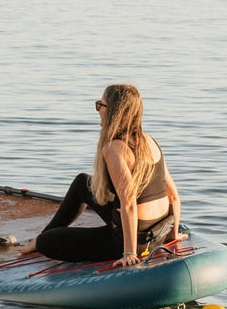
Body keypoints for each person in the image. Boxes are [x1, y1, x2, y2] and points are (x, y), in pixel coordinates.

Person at [20, 83, 184, 266]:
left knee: (47, 242)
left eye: (101, 104)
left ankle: (39, 240)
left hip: (132, 240)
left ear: (112, 111)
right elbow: (174, 196)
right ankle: (42, 235)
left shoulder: (115, 149)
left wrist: (129, 252)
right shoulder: (149, 141)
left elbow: (128, 202)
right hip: (160, 230)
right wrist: (173, 234)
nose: (98, 109)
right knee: (83, 182)